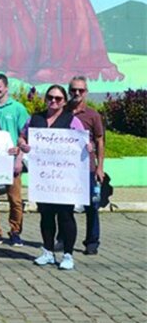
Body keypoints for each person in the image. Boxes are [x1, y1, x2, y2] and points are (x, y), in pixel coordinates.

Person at [19, 84, 88, 270]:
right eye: (50, 97)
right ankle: (48, 251)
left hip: (65, 178)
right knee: (46, 215)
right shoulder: (35, 119)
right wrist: (23, 144)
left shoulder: (71, 120)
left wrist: (88, 147)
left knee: (65, 216)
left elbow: (84, 142)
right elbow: (22, 137)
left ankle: (67, 255)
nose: (53, 101)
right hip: (43, 178)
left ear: (64, 101)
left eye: (58, 98)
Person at [0, 73, 31, 246]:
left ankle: (15, 232)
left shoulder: (17, 108)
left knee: (15, 200)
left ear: (6, 87)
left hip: (12, 160)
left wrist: (19, 158)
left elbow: (23, 136)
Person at [67, 76, 105, 255]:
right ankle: (63, 238)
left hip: (86, 167)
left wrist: (99, 167)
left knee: (91, 206)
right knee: (64, 206)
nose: (77, 93)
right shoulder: (62, 111)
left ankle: (92, 241)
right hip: (65, 168)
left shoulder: (92, 115)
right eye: (73, 90)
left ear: (86, 92)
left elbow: (99, 140)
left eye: (80, 90)